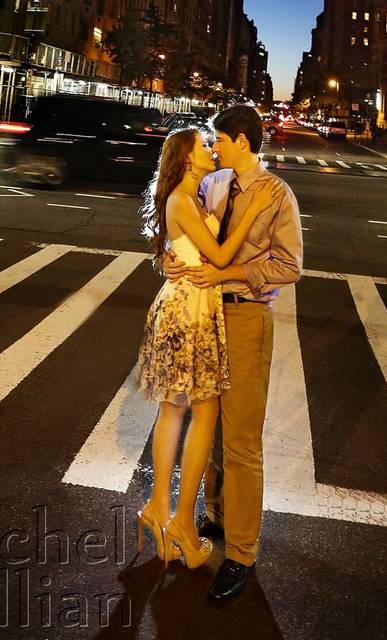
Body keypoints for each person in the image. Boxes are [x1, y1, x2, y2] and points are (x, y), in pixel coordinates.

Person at [165, 105, 303, 605]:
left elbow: (289, 265)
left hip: (245, 316)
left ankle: (242, 553)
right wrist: (171, 252)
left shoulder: (276, 195)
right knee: (210, 424)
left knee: (241, 439)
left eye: (219, 139)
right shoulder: (214, 183)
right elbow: (188, 230)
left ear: (241, 141)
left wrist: (231, 275)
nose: (214, 146)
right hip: (205, 314)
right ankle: (217, 515)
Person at [136, 127, 280, 573]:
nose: (210, 149)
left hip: (189, 304)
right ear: (185, 157)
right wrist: (254, 208)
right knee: (200, 411)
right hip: (190, 310)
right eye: (203, 145)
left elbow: (183, 247)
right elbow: (217, 257)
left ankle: (162, 511)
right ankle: (177, 519)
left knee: (175, 409)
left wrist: (169, 258)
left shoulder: (195, 194)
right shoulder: (184, 198)